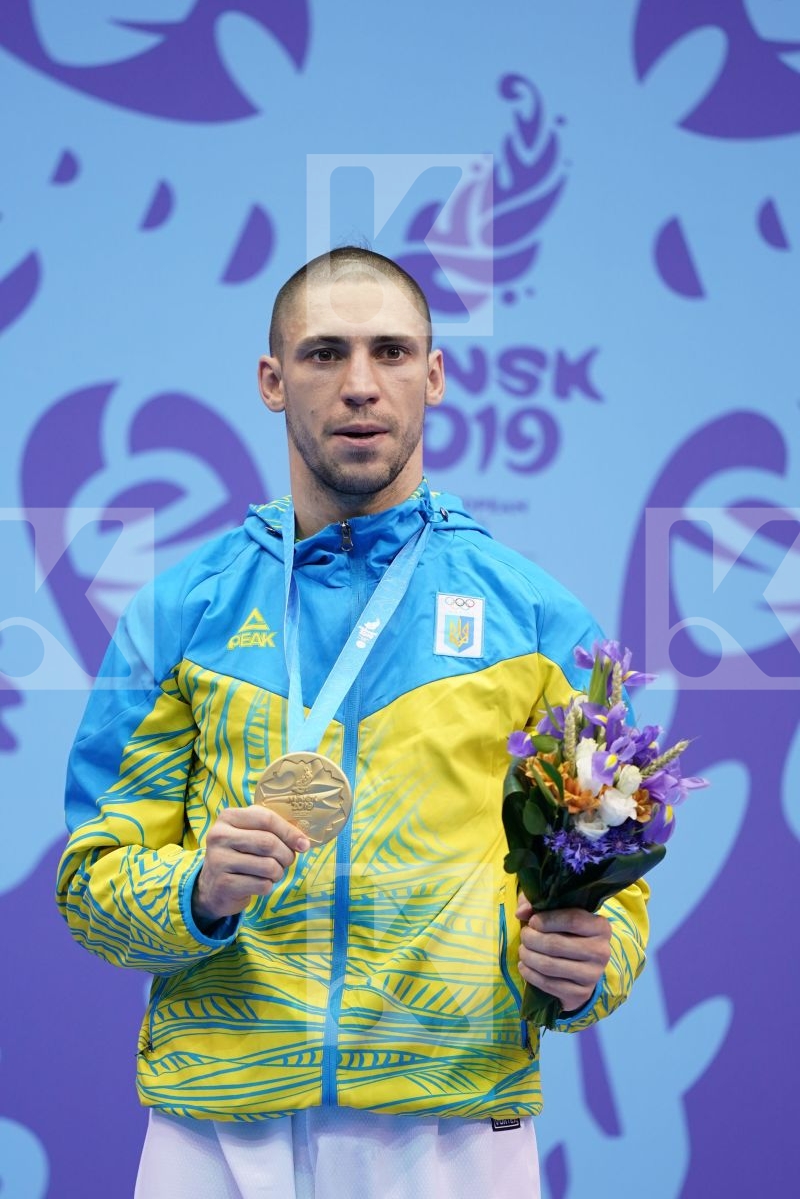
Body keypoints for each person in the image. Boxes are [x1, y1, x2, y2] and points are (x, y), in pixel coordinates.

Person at [56, 247, 650, 1198]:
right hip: (216, 1126)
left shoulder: (542, 626)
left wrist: (586, 967)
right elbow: (93, 881)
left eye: (392, 352)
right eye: (325, 352)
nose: (361, 385)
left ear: (435, 375)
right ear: (272, 379)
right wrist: (198, 893)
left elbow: (608, 888)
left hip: (453, 1126)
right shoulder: (180, 616)